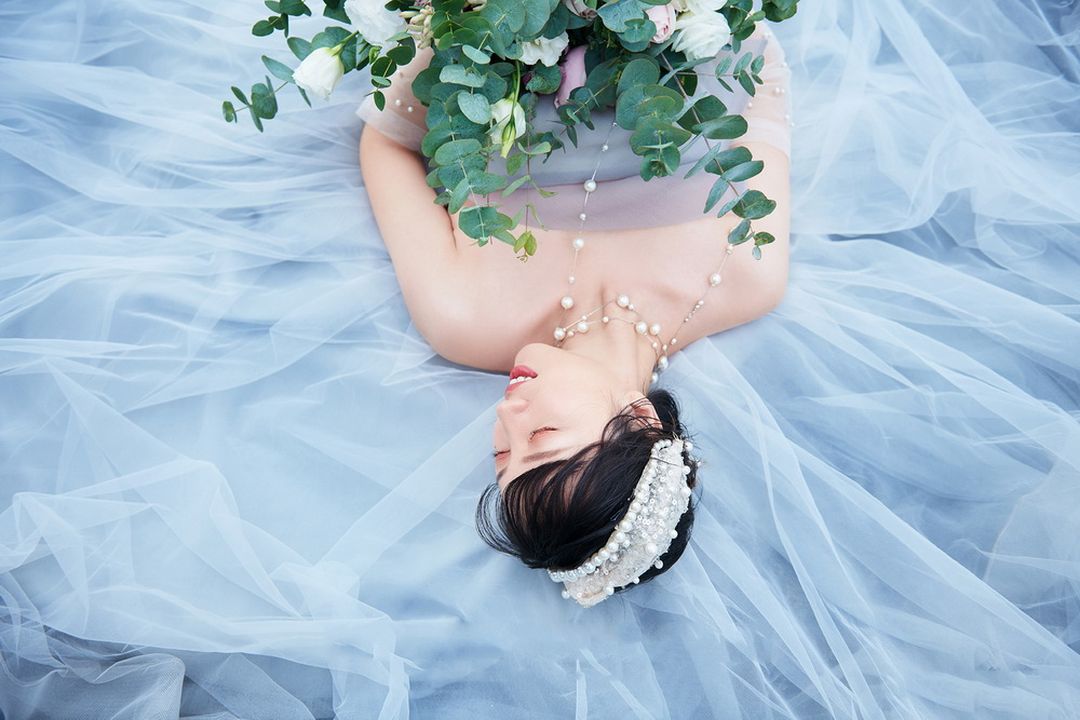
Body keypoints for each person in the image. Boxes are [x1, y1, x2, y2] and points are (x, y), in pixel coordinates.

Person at [358, 28, 791, 606]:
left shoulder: (463, 319)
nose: (507, 415)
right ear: (640, 418)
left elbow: (386, 141)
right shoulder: (748, 274)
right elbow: (759, 72)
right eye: (541, 435)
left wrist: (456, 30)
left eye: (502, 454)